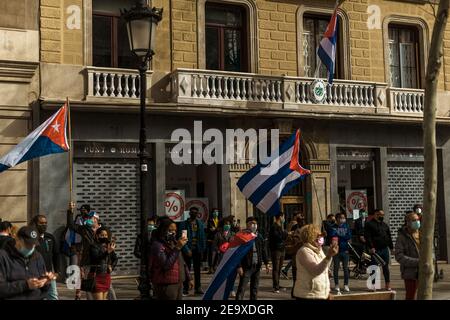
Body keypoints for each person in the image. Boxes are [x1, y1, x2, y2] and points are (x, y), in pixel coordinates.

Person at [0, 226, 56, 300]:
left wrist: (46, 281)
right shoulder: (3, 256)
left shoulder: (38, 256)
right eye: (28, 245)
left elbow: (44, 290)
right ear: (18, 240)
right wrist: (26, 285)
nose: (31, 247)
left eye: (34, 245)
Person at [148, 218, 192, 300]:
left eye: (175, 230)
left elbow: (182, 261)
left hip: (178, 282)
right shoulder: (158, 245)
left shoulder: (173, 242)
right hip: (166, 284)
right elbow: (166, 265)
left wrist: (189, 278)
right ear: (163, 230)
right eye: (170, 230)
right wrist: (177, 248)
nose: (173, 233)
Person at [293, 224, 338, 300]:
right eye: (317, 237)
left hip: (319, 294)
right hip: (308, 295)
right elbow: (315, 271)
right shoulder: (304, 251)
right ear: (310, 238)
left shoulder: (319, 250)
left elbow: (324, 268)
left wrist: (326, 292)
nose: (320, 239)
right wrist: (328, 256)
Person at [235, 217, 269, 300]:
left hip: (257, 266)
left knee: (254, 288)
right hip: (246, 266)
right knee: (242, 288)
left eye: (255, 223)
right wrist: (239, 266)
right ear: (247, 224)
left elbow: (263, 250)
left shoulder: (259, 236)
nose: (254, 225)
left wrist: (266, 263)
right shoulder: (242, 235)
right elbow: (237, 252)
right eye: (252, 223)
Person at [31, 214, 60, 300]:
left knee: (53, 296)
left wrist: (57, 271)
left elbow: (56, 254)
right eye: (41, 223)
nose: (44, 225)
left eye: (45, 223)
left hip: (48, 274)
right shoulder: (30, 238)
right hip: (34, 275)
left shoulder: (50, 237)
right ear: (35, 224)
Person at [180, 206, 206, 295]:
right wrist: (186, 249)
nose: (194, 214)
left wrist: (202, 250)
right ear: (189, 213)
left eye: (196, 212)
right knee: (186, 269)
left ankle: (198, 287)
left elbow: (203, 238)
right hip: (188, 249)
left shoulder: (200, 224)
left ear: (198, 214)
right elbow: (183, 238)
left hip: (197, 250)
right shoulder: (184, 224)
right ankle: (185, 288)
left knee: (197, 270)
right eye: (192, 212)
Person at [364, 209, 393, 290]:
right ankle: (373, 285)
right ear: (375, 214)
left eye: (383, 215)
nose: (381, 216)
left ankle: (387, 284)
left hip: (384, 249)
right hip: (375, 250)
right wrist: (371, 247)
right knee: (374, 267)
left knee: (386, 267)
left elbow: (389, 236)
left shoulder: (385, 225)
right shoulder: (369, 224)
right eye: (380, 215)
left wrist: (391, 247)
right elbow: (368, 237)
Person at [86, 227, 118, 300]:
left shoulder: (108, 246)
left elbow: (115, 259)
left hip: (106, 276)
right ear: (97, 236)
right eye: (102, 235)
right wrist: (107, 252)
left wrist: (111, 267)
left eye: (105, 235)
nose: (104, 237)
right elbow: (96, 258)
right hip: (96, 276)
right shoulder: (93, 246)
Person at [395, 211, 420, 300]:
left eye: (418, 219)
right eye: (414, 220)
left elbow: (430, 251)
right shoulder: (402, 237)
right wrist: (417, 262)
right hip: (411, 273)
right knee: (411, 296)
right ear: (408, 222)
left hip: (425, 271)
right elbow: (399, 256)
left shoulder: (424, 234)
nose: (417, 222)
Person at [330, 212, 352, 293]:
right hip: (336, 251)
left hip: (345, 250)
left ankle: (346, 285)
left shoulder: (346, 226)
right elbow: (333, 236)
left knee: (345, 268)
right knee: (336, 268)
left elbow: (349, 236)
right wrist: (342, 236)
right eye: (340, 217)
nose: (342, 219)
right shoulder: (333, 227)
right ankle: (336, 285)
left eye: (343, 217)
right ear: (337, 219)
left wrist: (339, 236)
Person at [268, 212, 288, 293]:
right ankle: (275, 286)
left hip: (282, 249)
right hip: (276, 250)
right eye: (283, 217)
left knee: (279, 268)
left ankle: (277, 284)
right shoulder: (274, 226)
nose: (284, 219)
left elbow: (283, 237)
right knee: (276, 268)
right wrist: (286, 232)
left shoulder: (280, 226)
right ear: (280, 217)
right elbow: (279, 237)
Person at [206, 208, 221, 273]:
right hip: (211, 239)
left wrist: (216, 229)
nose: (216, 213)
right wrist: (216, 229)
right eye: (214, 212)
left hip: (218, 239)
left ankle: (215, 266)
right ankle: (210, 267)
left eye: (217, 211)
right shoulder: (210, 220)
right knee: (211, 254)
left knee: (217, 254)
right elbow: (211, 229)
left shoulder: (220, 220)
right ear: (212, 213)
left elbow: (218, 229)